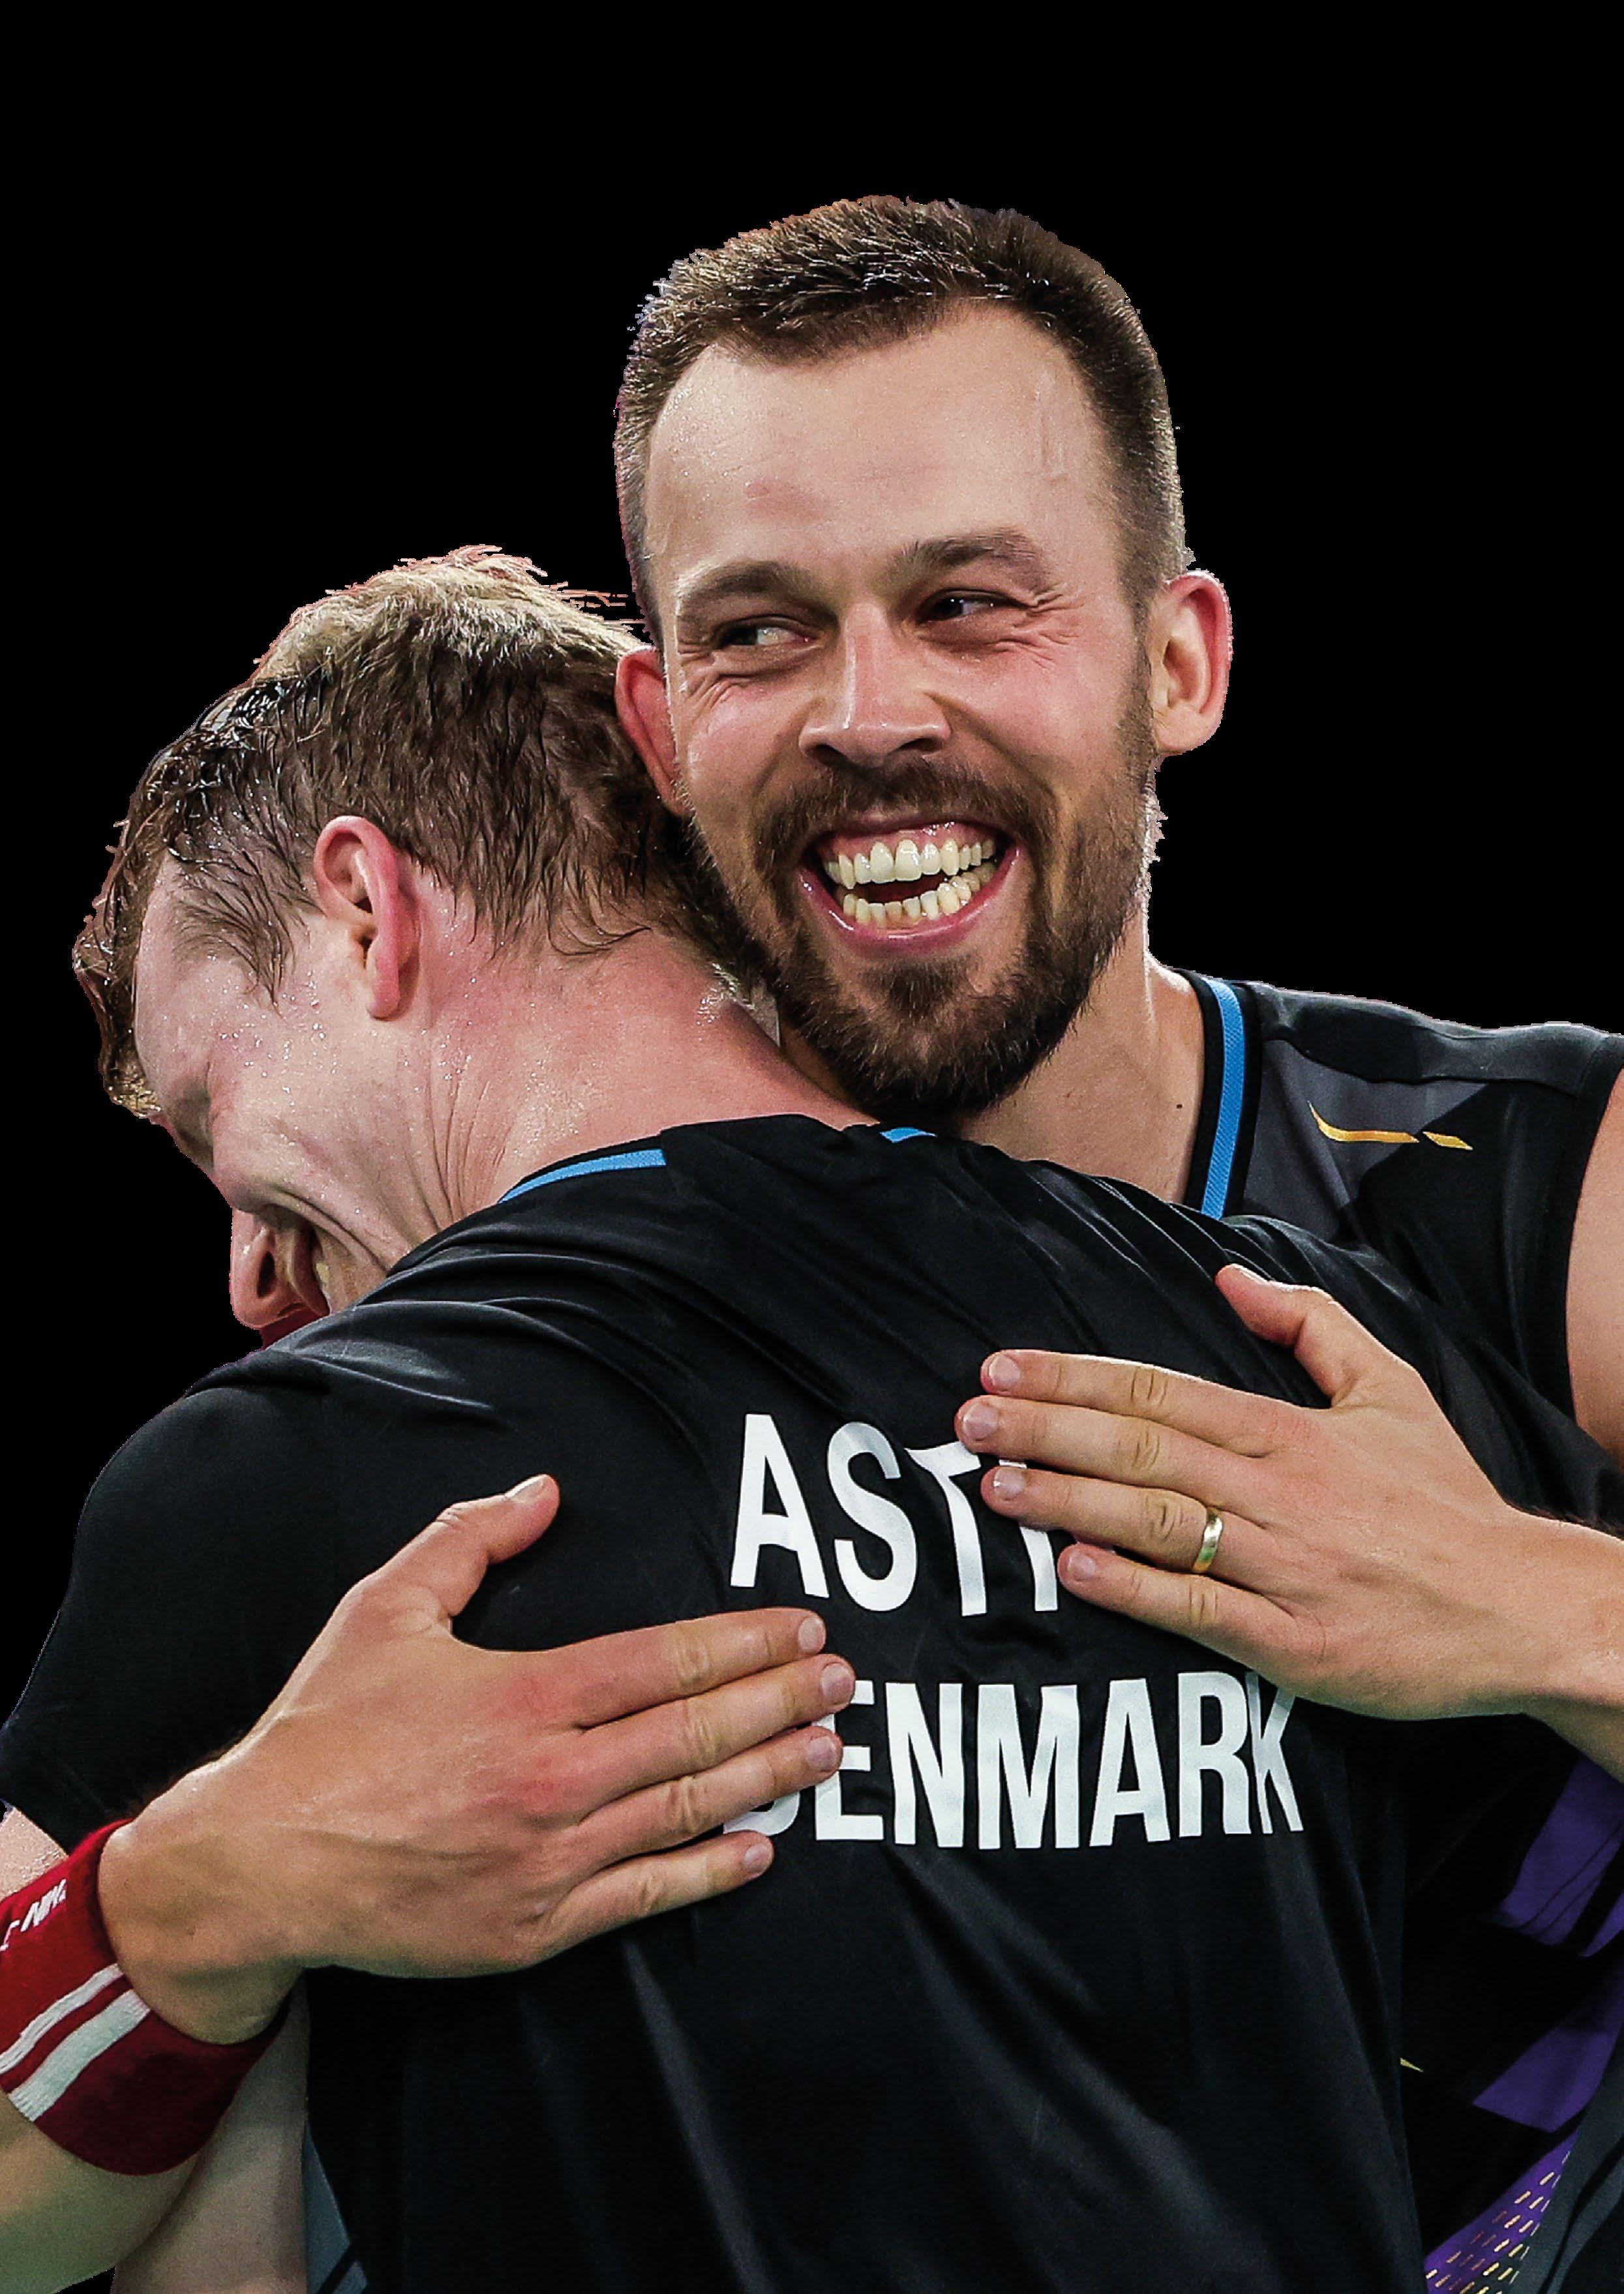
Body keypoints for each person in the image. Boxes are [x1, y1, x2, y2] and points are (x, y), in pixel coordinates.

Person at [0, 557, 1617, 2293]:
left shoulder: (297, 1472)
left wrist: (193, 1899)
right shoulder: (1305, 1352)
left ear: (363, 909)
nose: (250, 1267)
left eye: (211, 1115)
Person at [603, 194, 1623, 2279]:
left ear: (1179, 664)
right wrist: (227, 1894)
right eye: (758, 631)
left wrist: (1525, 1603)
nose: (866, 710)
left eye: (970, 604)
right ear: (656, 725)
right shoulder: (550, 1311)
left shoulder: (1534, 1178)